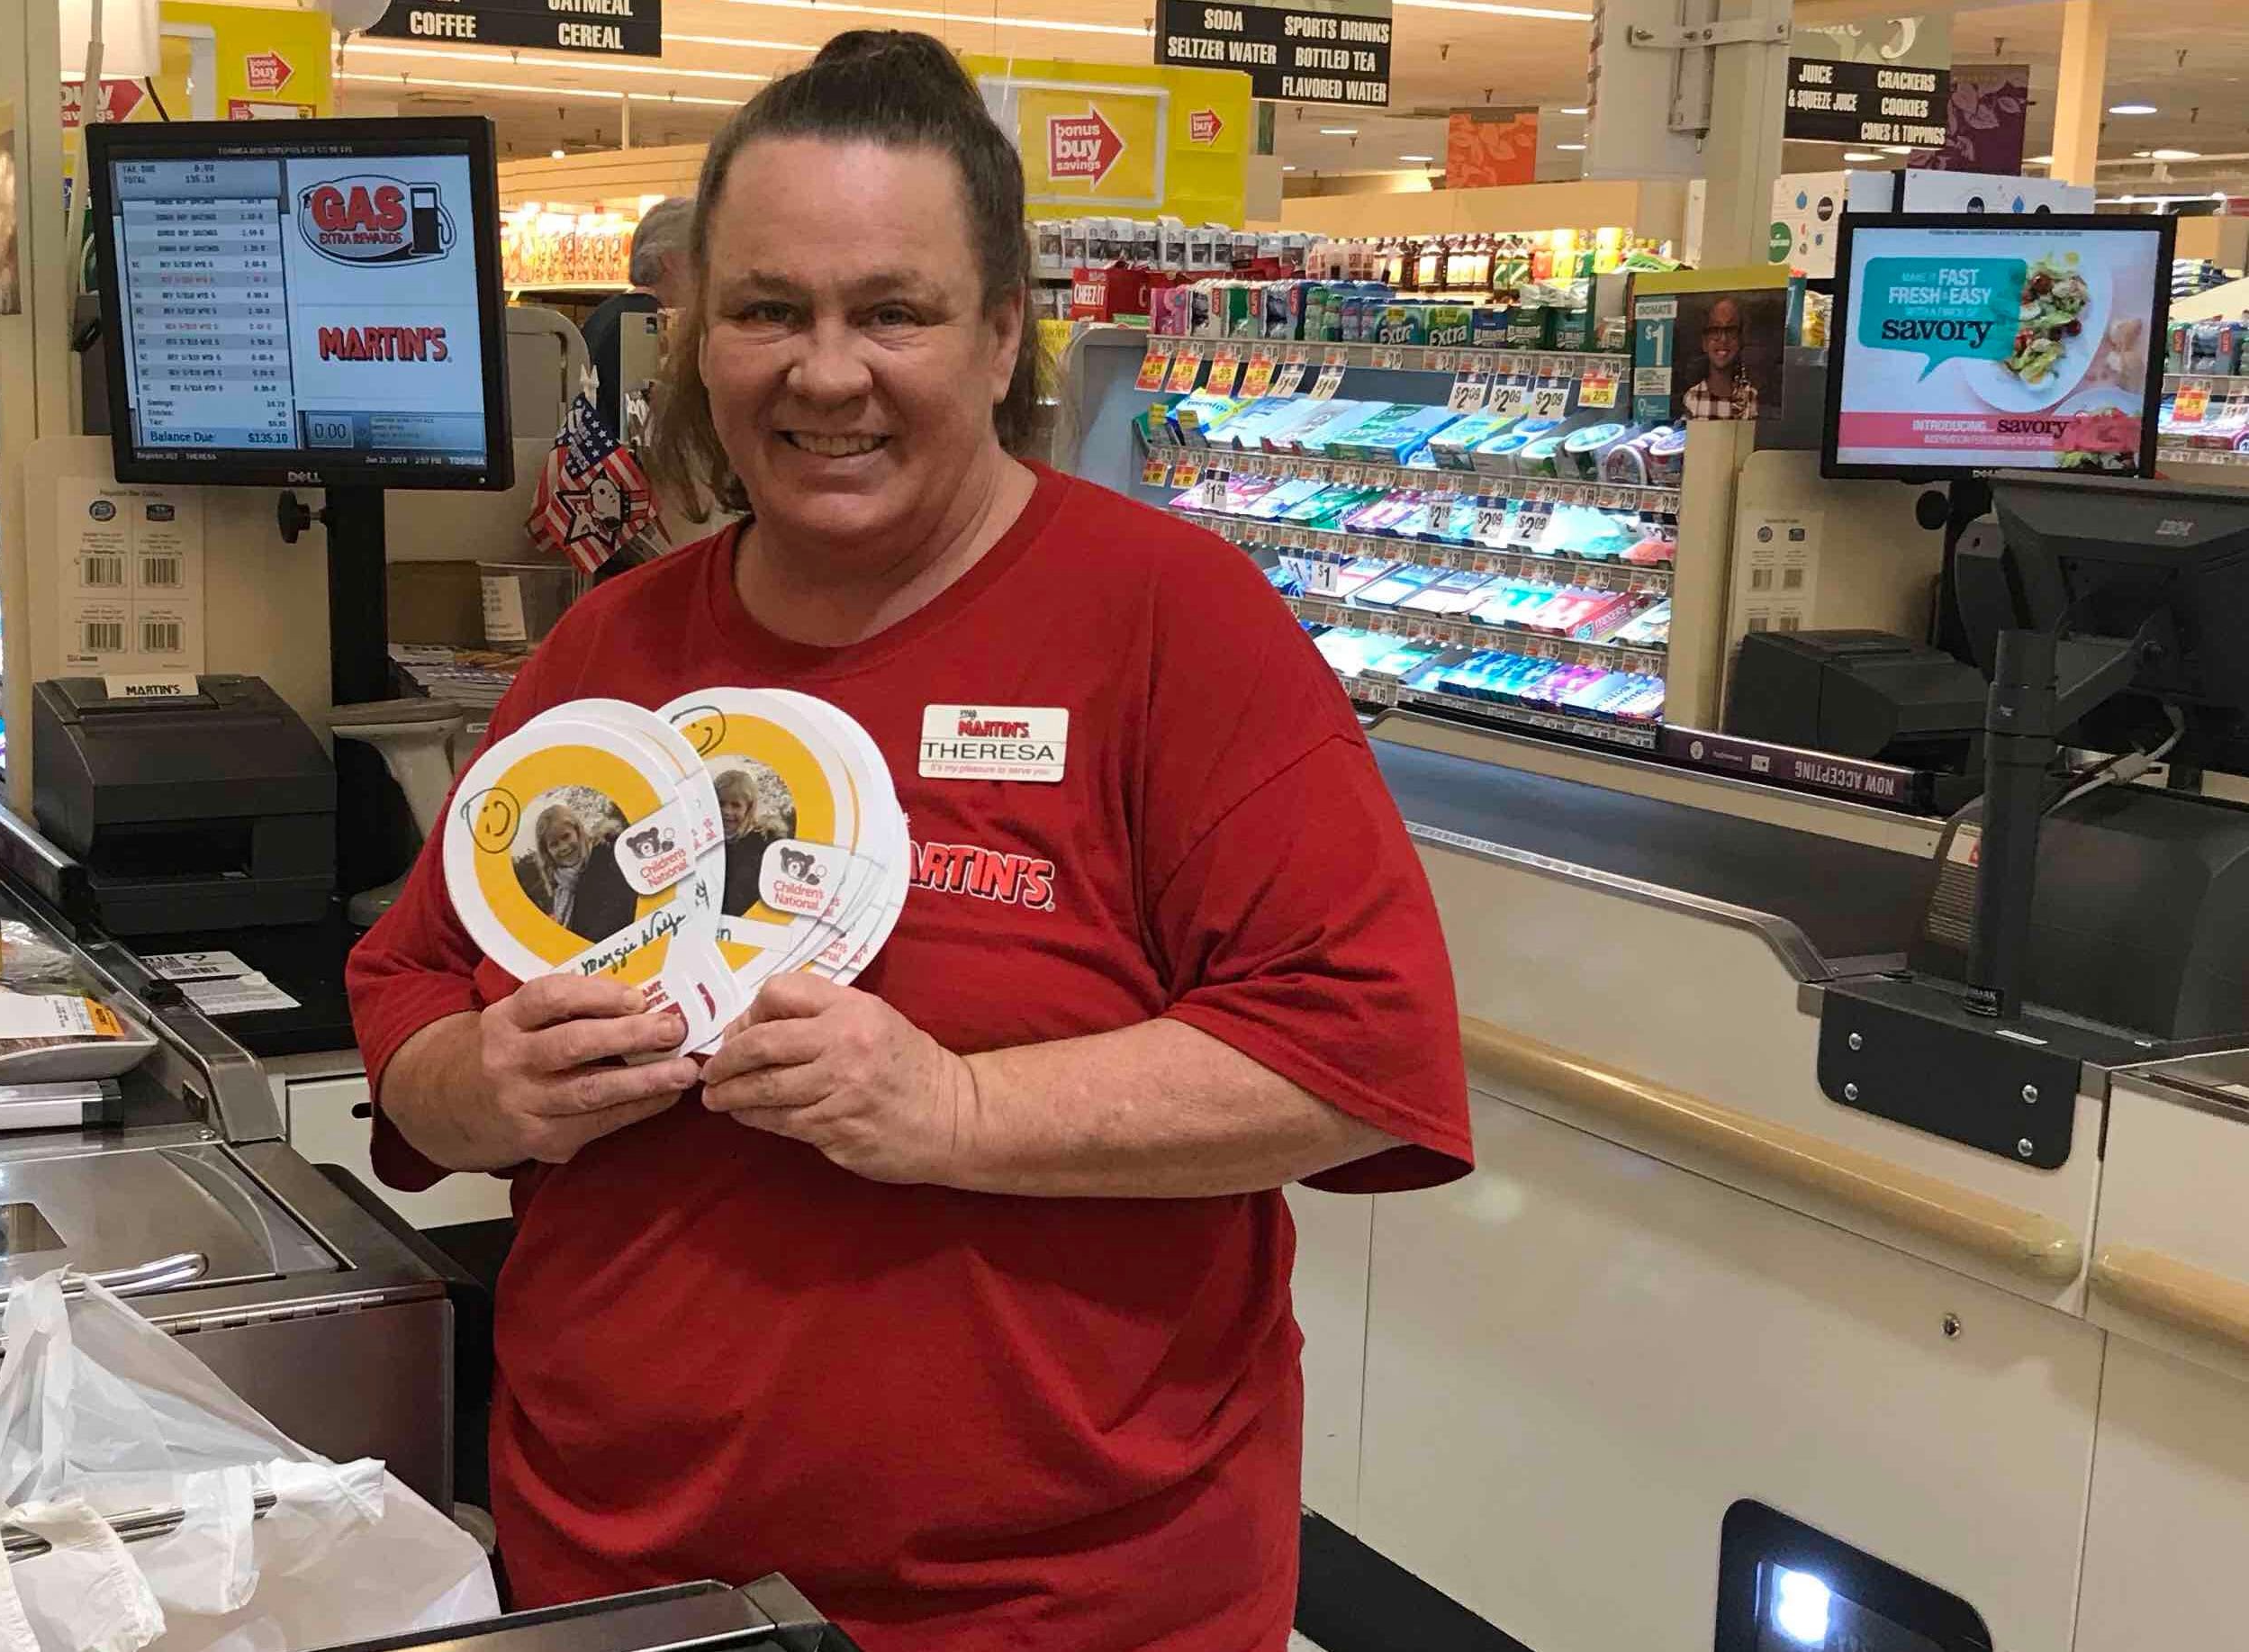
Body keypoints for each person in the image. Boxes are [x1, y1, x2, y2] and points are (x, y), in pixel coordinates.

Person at [346, 31, 1469, 1652]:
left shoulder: (1170, 625)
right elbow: (414, 1006)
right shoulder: (613, 650)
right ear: (694, 336)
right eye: (765, 311)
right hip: (620, 1574)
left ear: (1003, 329)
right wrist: (485, 1084)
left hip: (1060, 1608)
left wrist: (955, 1106)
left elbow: (1354, 1049)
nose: (824, 372)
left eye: (892, 310)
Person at [583, 196, 693, 440]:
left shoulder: (604, 314)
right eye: (699, 256)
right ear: (670, 261)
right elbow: (645, 431)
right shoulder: (653, 324)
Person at [515, 805, 635, 945]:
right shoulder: (561, 890)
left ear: (578, 831)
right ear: (547, 852)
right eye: (554, 844)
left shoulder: (609, 857)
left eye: (566, 836)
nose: (564, 847)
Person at [713, 768, 780, 916]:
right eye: (721, 803)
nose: (727, 811)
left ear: (749, 808)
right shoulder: (706, 841)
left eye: (736, 805)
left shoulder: (765, 844)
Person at [1684, 294, 1761, 420]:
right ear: (1704, 342)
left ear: (1741, 340)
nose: (1723, 339)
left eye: (1731, 330)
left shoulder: (1750, 396)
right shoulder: (1692, 398)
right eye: (1714, 330)